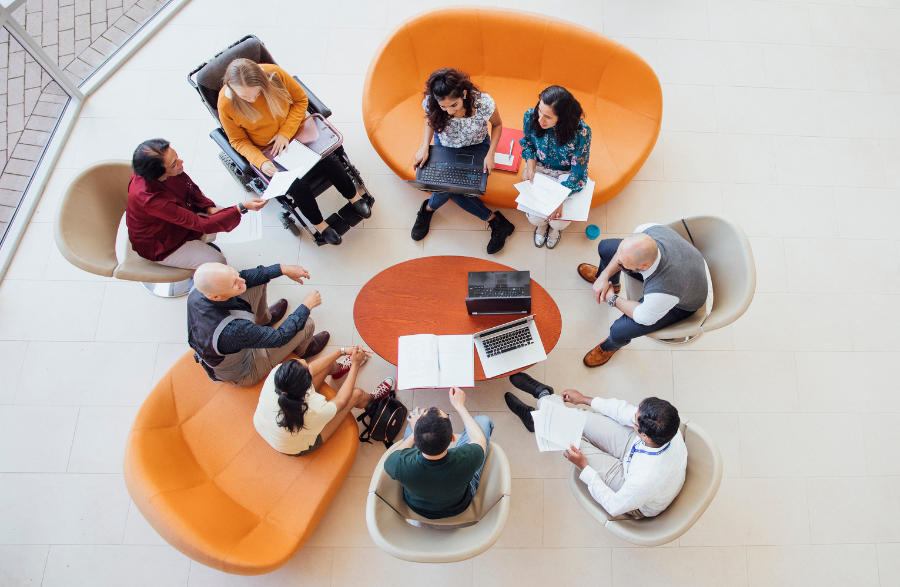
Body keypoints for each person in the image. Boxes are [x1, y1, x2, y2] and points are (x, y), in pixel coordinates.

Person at [217, 58, 371, 245]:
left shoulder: (274, 74)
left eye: (255, 94)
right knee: (295, 186)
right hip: (269, 150)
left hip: (296, 131)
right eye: (244, 96)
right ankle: (320, 225)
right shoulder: (226, 103)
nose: (251, 100)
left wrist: (284, 133)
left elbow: (300, 101)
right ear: (231, 88)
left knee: (330, 160)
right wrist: (262, 162)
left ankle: (354, 197)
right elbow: (238, 140)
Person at [503, 373, 687, 519]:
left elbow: (614, 505)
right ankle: (545, 398)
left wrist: (584, 467)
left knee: (569, 443)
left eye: (636, 421)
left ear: (644, 435)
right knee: (578, 419)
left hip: (630, 488)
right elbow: (621, 410)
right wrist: (584, 399)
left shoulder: (644, 480)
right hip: (635, 447)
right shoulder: (666, 424)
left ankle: (537, 417)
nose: (633, 417)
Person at [410, 68, 515, 254]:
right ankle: (496, 221)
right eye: (443, 107)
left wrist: (491, 154)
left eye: (454, 105)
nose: (449, 111)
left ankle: (427, 209)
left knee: (459, 188)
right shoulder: (431, 102)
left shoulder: (483, 102)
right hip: (445, 145)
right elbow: (430, 121)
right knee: (448, 187)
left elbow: (497, 125)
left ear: (464, 94)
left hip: (477, 146)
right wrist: (424, 146)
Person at [577, 222, 708, 367]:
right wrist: (604, 277)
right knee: (606, 248)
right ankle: (613, 284)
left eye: (621, 263)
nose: (617, 260)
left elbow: (644, 316)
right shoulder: (647, 229)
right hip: (683, 267)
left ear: (643, 267)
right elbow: (620, 254)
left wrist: (611, 298)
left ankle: (610, 346)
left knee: (620, 329)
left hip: (682, 302)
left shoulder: (664, 290)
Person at [126, 138, 267, 269]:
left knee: (219, 214)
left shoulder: (159, 171)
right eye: (174, 164)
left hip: (174, 220)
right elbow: (201, 224)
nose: (181, 163)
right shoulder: (151, 200)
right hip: (161, 242)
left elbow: (188, 186)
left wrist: (207, 206)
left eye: (177, 157)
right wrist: (241, 207)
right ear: (158, 174)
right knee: (218, 261)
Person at [187, 261, 330, 386]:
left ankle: (265, 320)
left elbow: (247, 276)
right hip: (246, 368)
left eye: (234, 274)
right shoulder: (233, 330)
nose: (241, 281)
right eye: (234, 284)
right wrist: (306, 306)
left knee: (257, 281)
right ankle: (301, 352)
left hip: (236, 340)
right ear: (216, 296)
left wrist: (283, 269)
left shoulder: (198, 290)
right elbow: (279, 337)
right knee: (306, 323)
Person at [253, 346, 396, 455]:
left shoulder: (278, 374)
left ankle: (338, 369)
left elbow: (311, 369)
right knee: (356, 394)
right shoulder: (315, 409)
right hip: (292, 446)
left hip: (264, 425)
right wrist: (355, 364)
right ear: (305, 388)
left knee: (326, 364)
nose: (304, 361)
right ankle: (371, 401)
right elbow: (341, 400)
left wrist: (341, 351)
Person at [383, 387, 494, 519]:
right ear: (453, 438)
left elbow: (392, 457)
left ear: (416, 443)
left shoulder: (398, 464)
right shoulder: (467, 458)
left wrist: (414, 433)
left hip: (418, 507)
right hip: (458, 505)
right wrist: (460, 407)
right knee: (483, 421)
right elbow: (478, 440)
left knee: (414, 413)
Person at [519, 85, 592, 249]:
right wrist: (530, 166)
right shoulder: (530, 116)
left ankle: (554, 229)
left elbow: (578, 172)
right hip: (540, 168)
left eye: (548, 117)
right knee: (535, 218)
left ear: (563, 117)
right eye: (540, 111)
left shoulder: (582, 132)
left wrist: (560, 197)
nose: (540, 120)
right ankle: (542, 225)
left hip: (566, 174)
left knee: (559, 222)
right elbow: (528, 144)